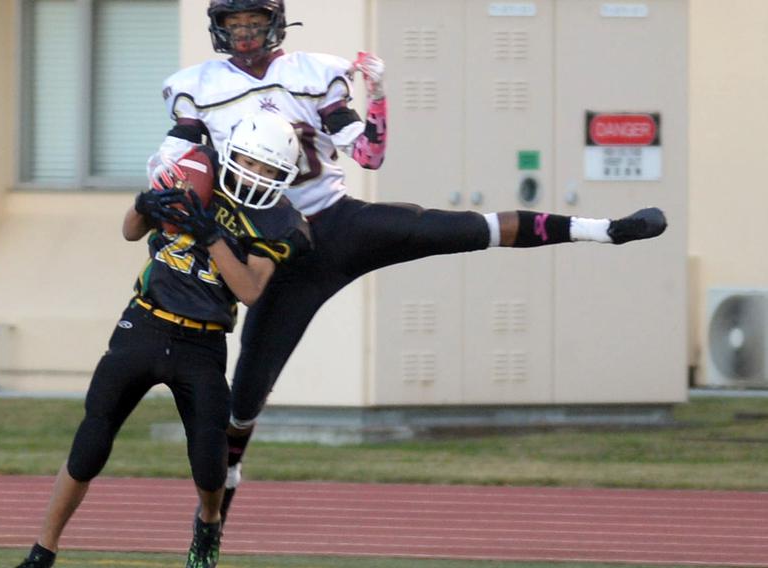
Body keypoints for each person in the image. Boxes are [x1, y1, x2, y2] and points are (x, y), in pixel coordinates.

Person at [145, 0, 669, 527]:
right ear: (218, 28)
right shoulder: (198, 89)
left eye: (252, 23)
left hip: (335, 222)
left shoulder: (312, 73)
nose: (243, 35)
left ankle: (605, 231)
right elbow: (174, 167)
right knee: (244, 399)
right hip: (270, 240)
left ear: (275, 23)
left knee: (468, 228)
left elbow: (369, 157)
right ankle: (215, 514)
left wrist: (378, 95)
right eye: (233, 24)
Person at [14, 111, 312, 568]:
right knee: (92, 439)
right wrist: (145, 203)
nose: (257, 175)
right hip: (145, 324)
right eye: (252, 162)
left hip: (202, 342)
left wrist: (210, 235)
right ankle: (43, 550)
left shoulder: (278, 220)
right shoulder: (196, 168)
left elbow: (250, 291)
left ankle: (208, 524)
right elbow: (131, 230)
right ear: (233, 154)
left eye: (269, 170)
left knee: (209, 458)